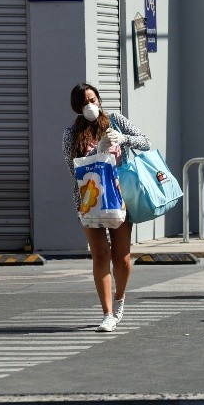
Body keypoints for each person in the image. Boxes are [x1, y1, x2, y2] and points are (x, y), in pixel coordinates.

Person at [62, 83, 151, 332]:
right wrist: (97, 156)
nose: (90, 105)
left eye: (93, 99)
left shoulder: (115, 120)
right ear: (77, 107)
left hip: (118, 196)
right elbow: (73, 169)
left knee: (121, 256)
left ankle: (120, 299)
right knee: (100, 254)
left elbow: (146, 142)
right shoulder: (71, 133)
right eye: (84, 102)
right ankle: (108, 313)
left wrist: (123, 139)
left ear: (99, 100)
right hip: (89, 200)